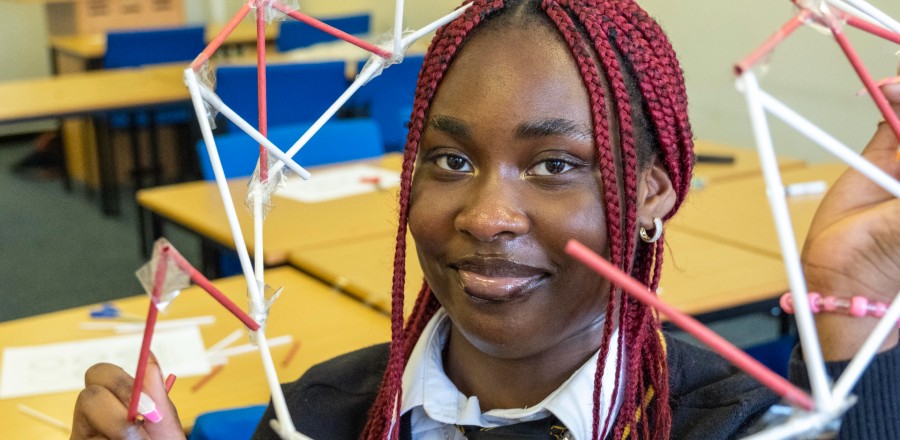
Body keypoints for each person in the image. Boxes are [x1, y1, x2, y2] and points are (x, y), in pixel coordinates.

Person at [71, 0, 900, 438]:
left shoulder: (735, 427)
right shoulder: (320, 416)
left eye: (553, 165)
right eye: (452, 160)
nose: (487, 215)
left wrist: (856, 316)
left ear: (651, 193)